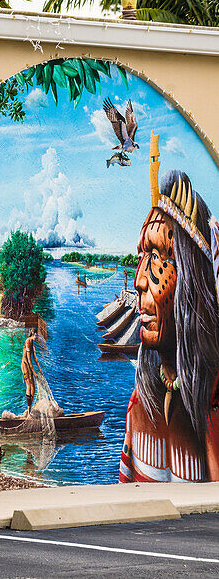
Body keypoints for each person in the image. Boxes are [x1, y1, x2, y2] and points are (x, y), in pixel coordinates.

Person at [119, 134, 219, 483]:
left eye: (160, 256)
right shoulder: (141, 402)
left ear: (192, 283)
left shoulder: (214, 399)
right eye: (143, 256)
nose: (140, 280)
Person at [21, 330, 41, 414]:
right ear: (32, 334)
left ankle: (30, 407)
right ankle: (29, 410)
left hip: (29, 366)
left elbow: (35, 358)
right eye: (35, 335)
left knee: (34, 388)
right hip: (25, 365)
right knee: (29, 386)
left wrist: (40, 369)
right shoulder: (28, 341)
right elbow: (29, 360)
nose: (36, 337)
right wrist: (34, 372)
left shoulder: (32, 343)